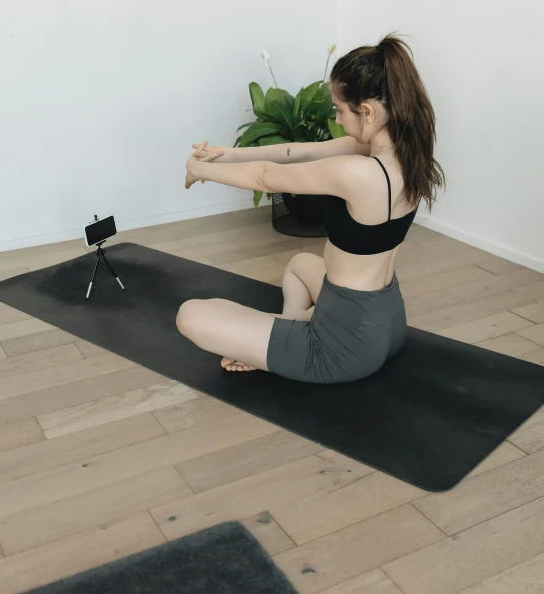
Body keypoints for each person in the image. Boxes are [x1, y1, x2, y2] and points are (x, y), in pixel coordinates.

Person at [177, 33, 445, 383]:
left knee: (190, 315)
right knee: (301, 264)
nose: (336, 118)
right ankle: (290, 327)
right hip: (387, 318)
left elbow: (266, 178)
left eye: (339, 109)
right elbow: (299, 150)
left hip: (343, 348)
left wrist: (200, 171)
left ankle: (283, 344)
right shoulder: (406, 155)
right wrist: (227, 154)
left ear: (367, 110)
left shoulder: (358, 173)